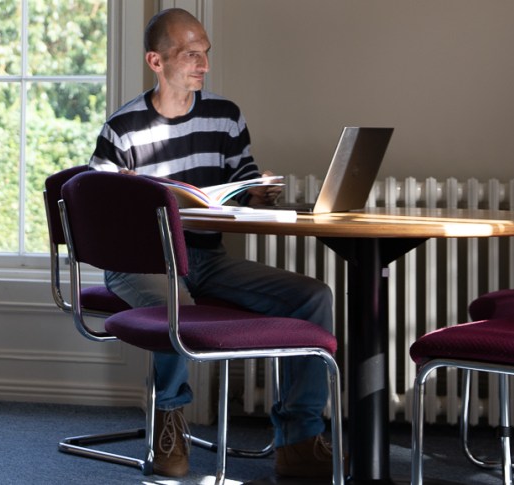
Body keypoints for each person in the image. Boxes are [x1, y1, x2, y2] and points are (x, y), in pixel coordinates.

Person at [87, 8, 338, 479]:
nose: (203, 63)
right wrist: (125, 194)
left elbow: (240, 182)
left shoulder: (225, 117)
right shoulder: (123, 128)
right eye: (190, 54)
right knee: (176, 301)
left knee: (312, 297)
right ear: (156, 62)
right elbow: (96, 208)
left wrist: (257, 190)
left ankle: (299, 439)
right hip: (142, 263)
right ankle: (170, 423)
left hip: (206, 257)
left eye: (206, 53)